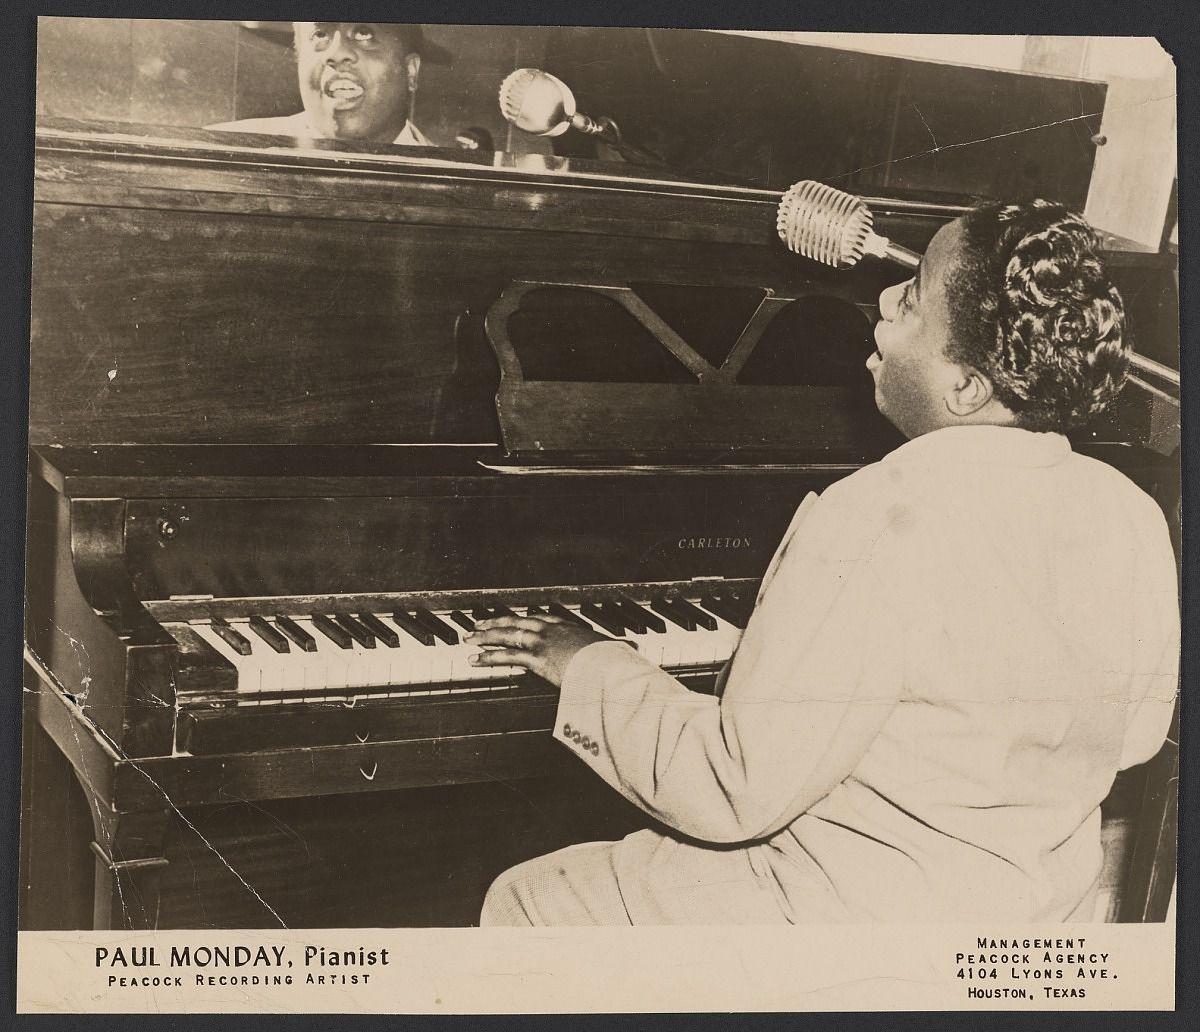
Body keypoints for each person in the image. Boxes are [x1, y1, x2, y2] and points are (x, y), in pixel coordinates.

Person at [467, 200, 1180, 925]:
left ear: (966, 387)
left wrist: (587, 661)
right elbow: (1137, 738)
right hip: (1023, 920)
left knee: (528, 899)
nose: (882, 298)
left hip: (852, 927)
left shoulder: (877, 510)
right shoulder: (1131, 511)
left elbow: (733, 788)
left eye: (914, 297)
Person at [209, 22, 443, 145]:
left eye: (364, 33)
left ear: (411, 71)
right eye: (320, 35)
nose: (337, 53)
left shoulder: (461, 182)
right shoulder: (218, 153)